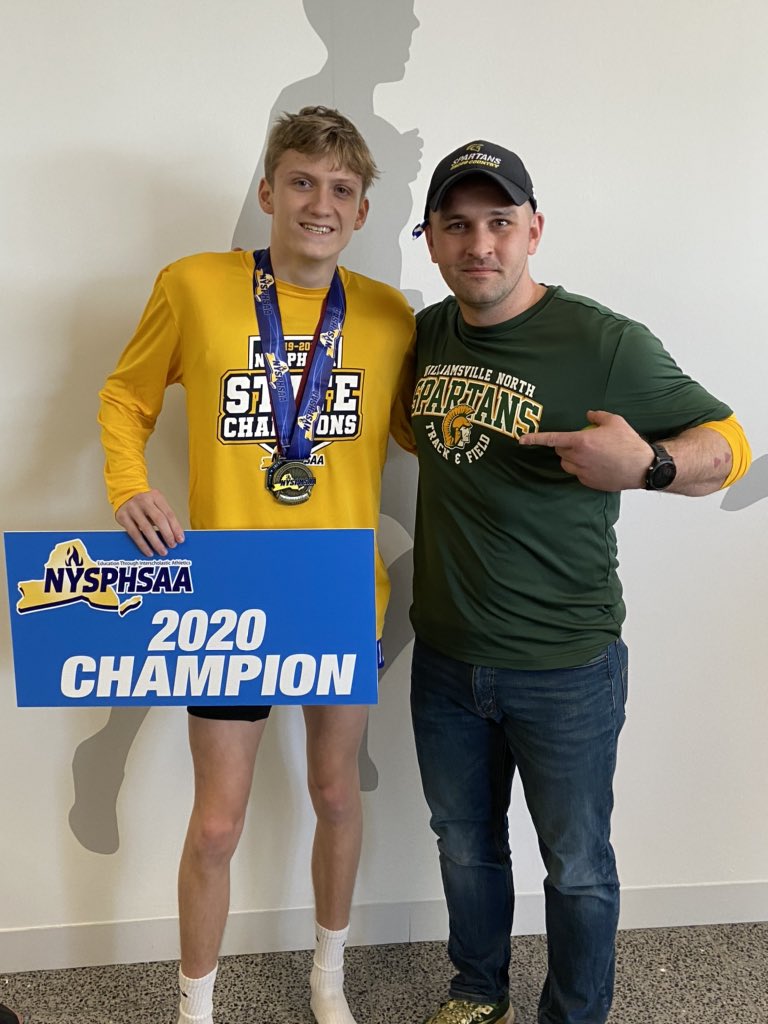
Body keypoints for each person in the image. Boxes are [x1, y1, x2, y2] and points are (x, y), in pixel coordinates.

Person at [408, 140, 750, 1024]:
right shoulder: (427, 332)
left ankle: (575, 1016)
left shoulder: (604, 343)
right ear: (433, 242)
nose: (479, 244)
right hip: (444, 656)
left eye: (498, 223)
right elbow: (418, 434)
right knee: (464, 844)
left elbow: (732, 443)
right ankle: (477, 992)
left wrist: (650, 468)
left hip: (563, 665)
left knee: (578, 862)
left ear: (533, 231)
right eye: (457, 226)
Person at [98, 107, 414, 1024]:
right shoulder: (195, 287)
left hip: (341, 592)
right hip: (230, 591)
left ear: (362, 213)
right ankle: (195, 1005)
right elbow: (125, 397)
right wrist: (127, 488)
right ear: (269, 191)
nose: (321, 203)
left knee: (334, 796)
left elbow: (414, 434)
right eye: (303, 183)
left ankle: (328, 978)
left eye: (342, 190)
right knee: (219, 820)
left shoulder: (393, 316)